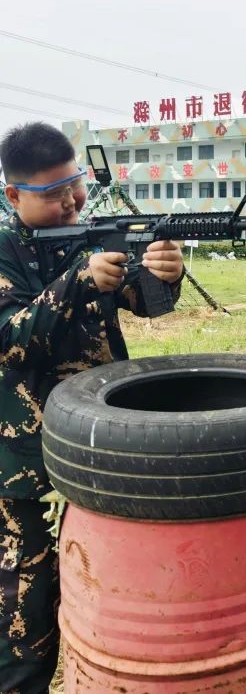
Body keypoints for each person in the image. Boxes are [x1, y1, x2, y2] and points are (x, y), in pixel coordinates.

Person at [0, 122, 184, 692]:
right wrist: (75, 283)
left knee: (109, 592)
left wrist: (165, 275)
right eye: (55, 193)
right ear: (13, 195)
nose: (72, 200)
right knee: (24, 618)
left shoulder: (87, 234)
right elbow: (9, 339)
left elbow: (145, 303)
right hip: (24, 464)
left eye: (76, 184)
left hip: (100, 452)